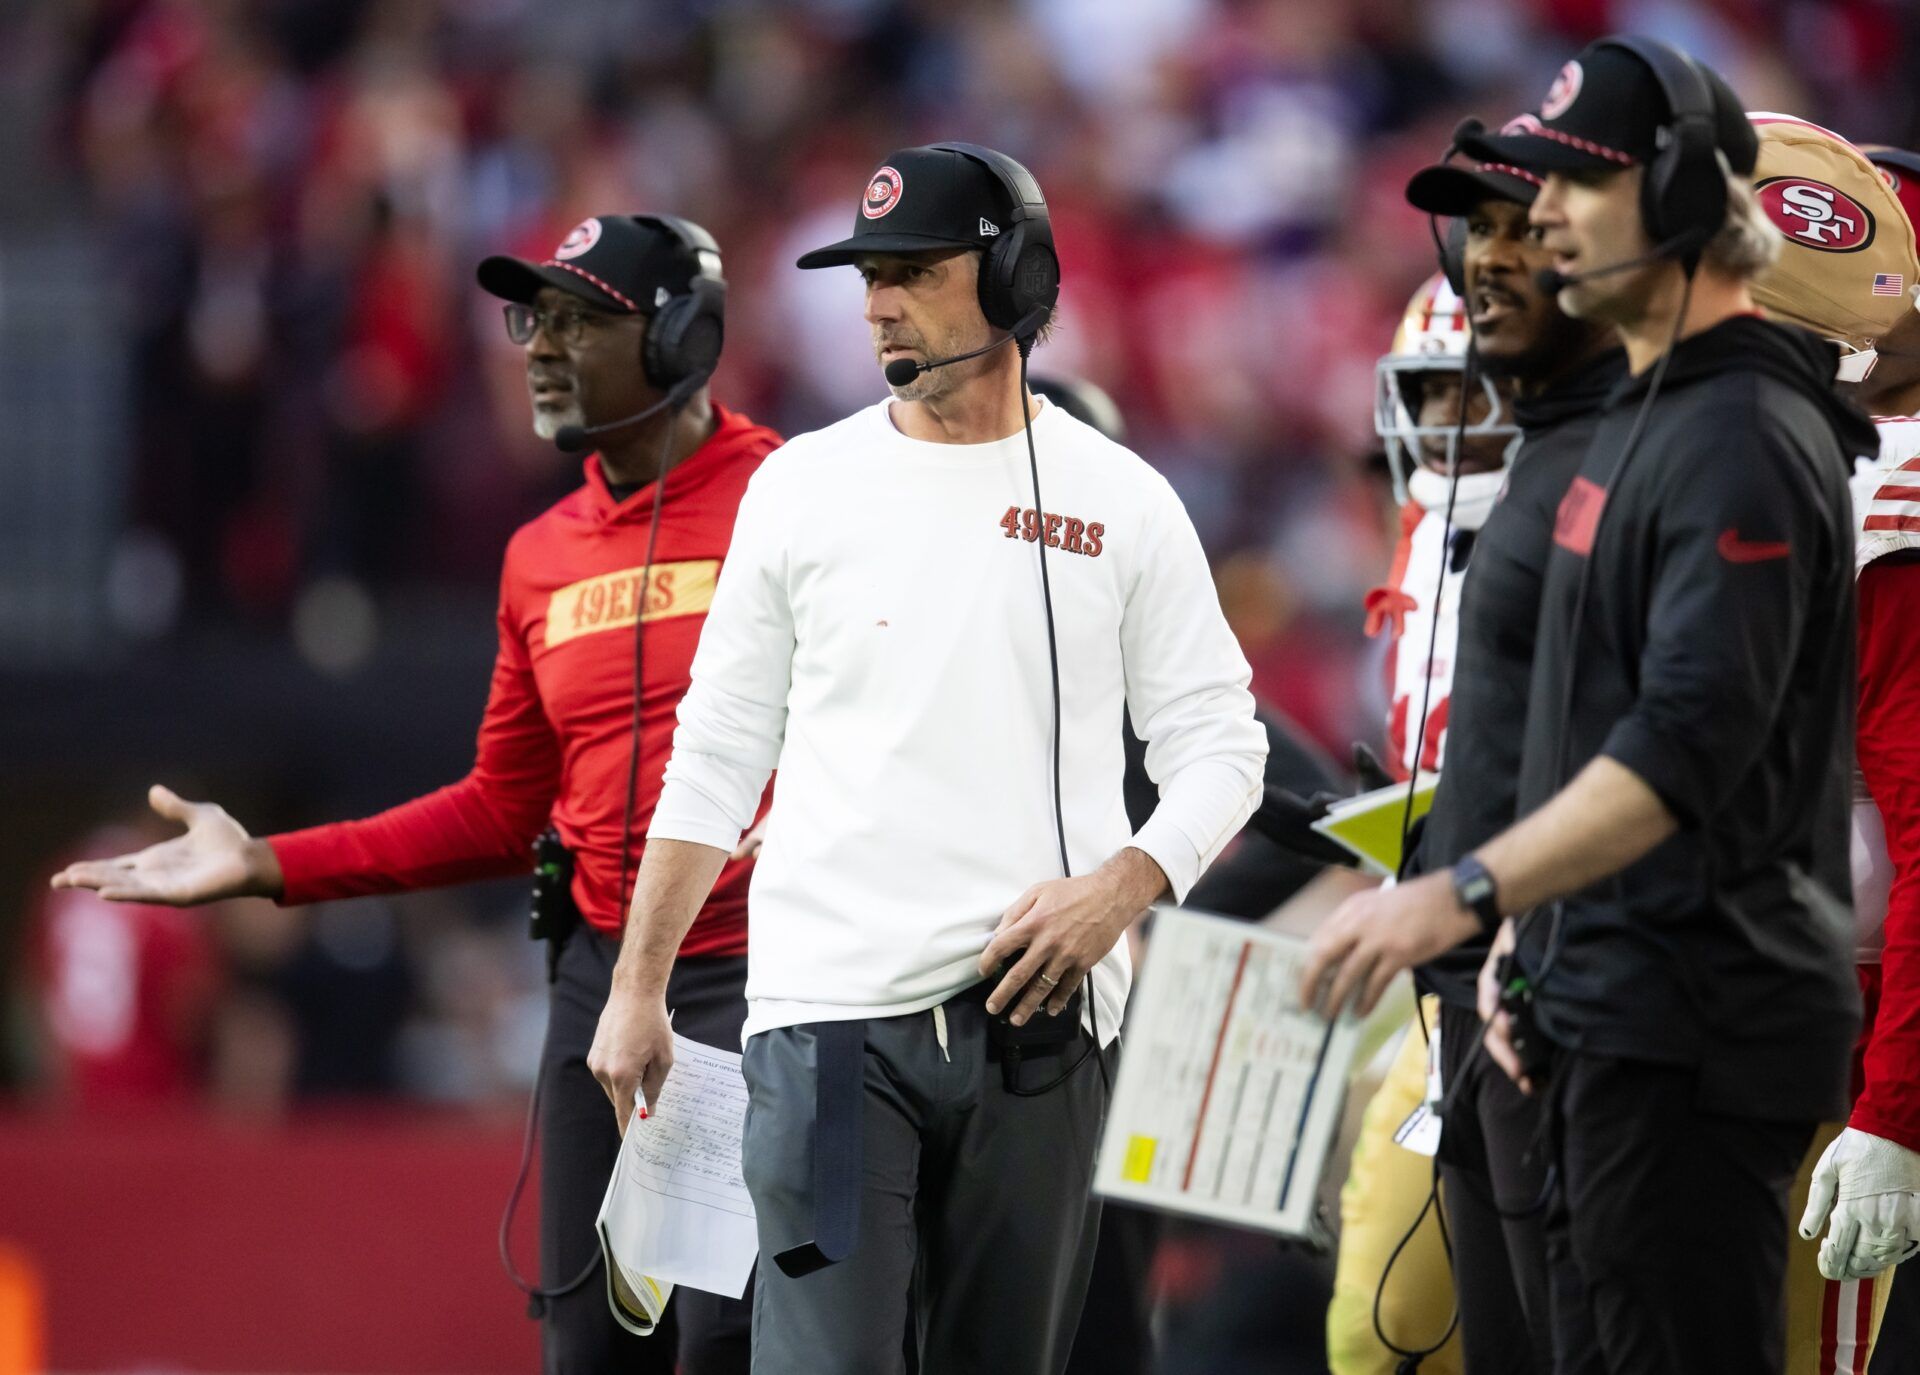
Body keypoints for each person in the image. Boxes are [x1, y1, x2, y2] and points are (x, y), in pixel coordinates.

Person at [50, 214, 778, 1375]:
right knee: (587, 1351)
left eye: (578, 320)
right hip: (599, 980)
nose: (538, 347)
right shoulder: (539, 554)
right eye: (532, 318)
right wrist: (267, 863)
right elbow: (500, 808)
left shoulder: (796, 502)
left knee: (721, 1347)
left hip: (759, 978)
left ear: (684, 337)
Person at [586, 142, 1267, 1375]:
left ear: (1015, 278)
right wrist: (641, 984)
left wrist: (1124, 886)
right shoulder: (801, 488)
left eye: (912, 271)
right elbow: (719, 747)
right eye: (867, 276)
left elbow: (1223, 740)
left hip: (1041, 1017)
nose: (877, 303)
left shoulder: (1122, 497)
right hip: (827, 1025)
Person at [1301, 37, 1876, 1373]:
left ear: (1681, 193)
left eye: (1573, 188)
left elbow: (1687, 738)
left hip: (1692, 1028)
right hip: (1594, 1006)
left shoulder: (1738, 432)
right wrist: (1526, 940)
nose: (1541, 219)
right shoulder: (1647, 422)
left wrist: (1465, 895)